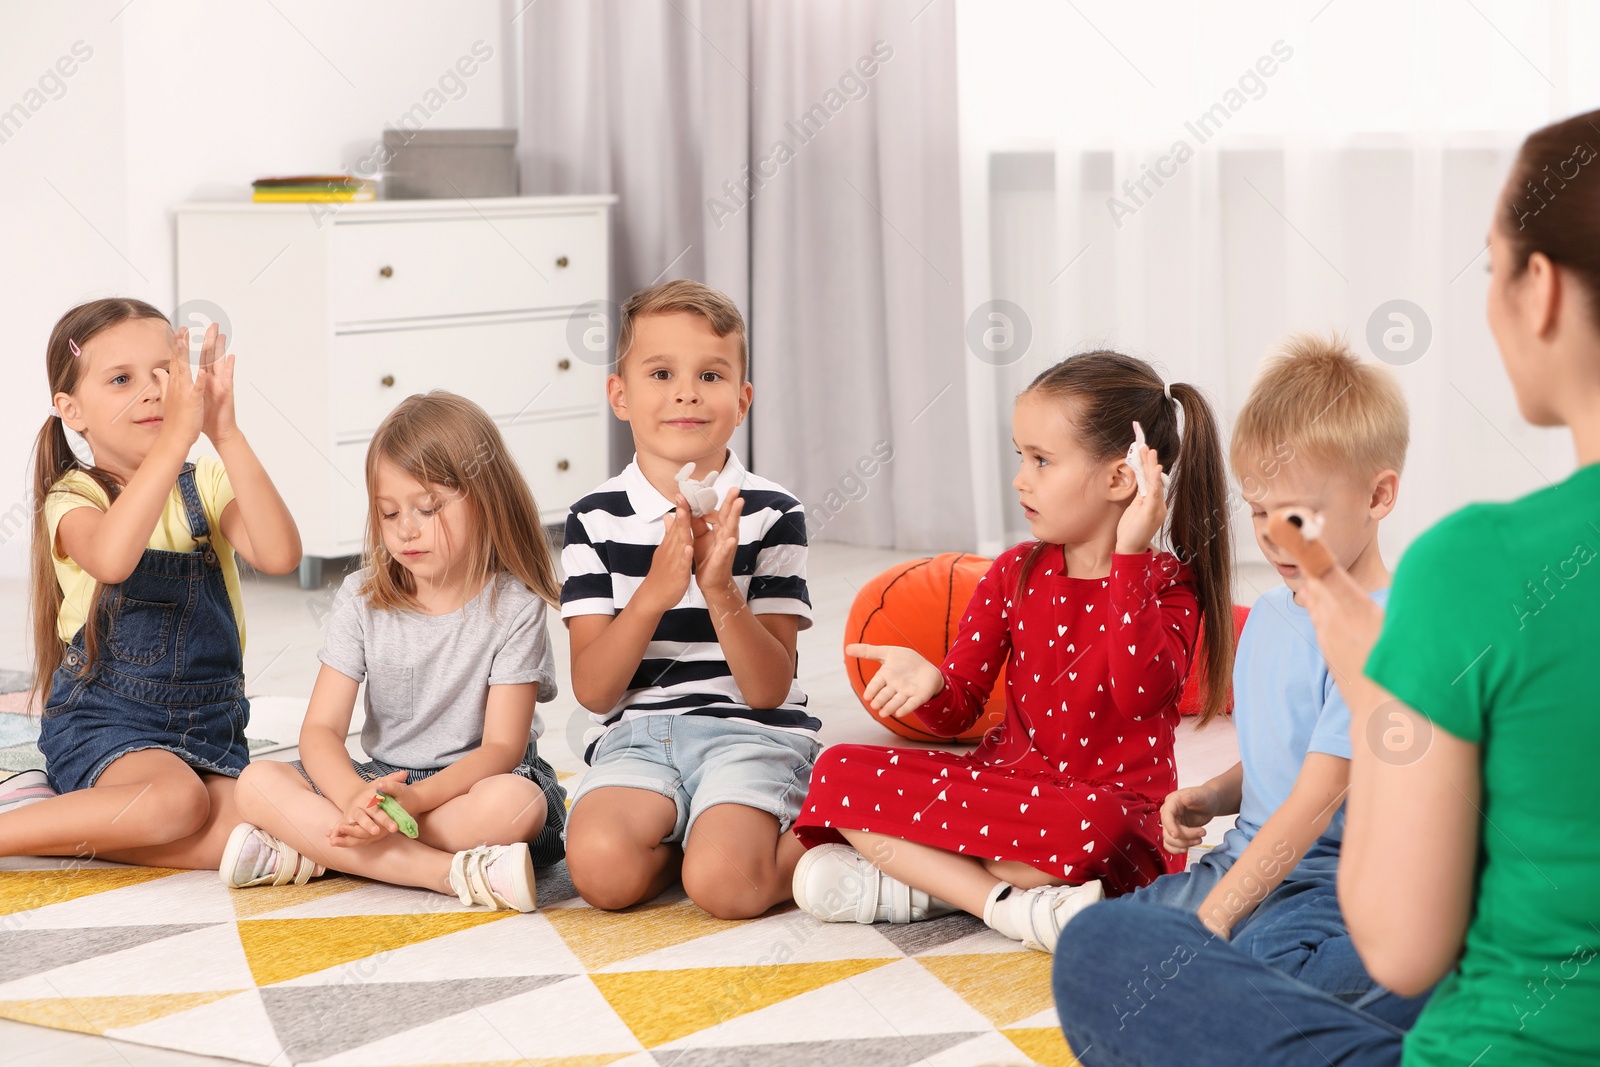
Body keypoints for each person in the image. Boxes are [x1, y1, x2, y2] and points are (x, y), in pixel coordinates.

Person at [1055, 107, 1600, 1066]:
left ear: (1542, 290)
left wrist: (1378, 691)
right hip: (1320, 903)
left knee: (1108, 954)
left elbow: (1403, 938)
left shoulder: (1469, 569)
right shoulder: (1289, 612)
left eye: (1490, 268)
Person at [792, 351, 1236, 952]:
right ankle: (1002, 905)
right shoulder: (1013, 573)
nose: (1020, 478)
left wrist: (1129, 561)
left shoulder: (1167, 586)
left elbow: (1140, 695)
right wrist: (930, 686)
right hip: (1006, 792)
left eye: (1042, 461)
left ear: (1119, 479)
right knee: (836, 770)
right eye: (1019, 456)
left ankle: (921, 884)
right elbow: (960, 709)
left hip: (1106, 815)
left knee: (1093, 828)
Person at [228, 392, 566, 913]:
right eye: (389, 513)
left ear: (487, 498)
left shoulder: (515, 605)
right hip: (383, 781)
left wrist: (411, 804)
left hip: (473, 787)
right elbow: (319, 731)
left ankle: (321, 852)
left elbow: (502, 747)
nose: (406, 529)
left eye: (427, 509)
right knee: (254, 783)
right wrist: (354, 799)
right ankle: (445, 873)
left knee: (515, 806)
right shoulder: (362, 597)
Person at [1, 298, 299, 868]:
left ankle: (70, 818)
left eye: (166, 371)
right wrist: (173, 443)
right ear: (71, 409)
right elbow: (113, 559)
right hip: (106, 726)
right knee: (175, 801)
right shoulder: (75, 497)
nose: (154, 390)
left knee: (279, 819)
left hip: (211, 728)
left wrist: (225, 434)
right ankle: (14, 827)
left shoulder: (205, 482)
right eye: (121, 379)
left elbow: (280, 553)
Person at [560, 280, 818, 920]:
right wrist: (653, 595)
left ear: (743, 399)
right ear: (620, 396)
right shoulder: (593, 518)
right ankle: (696, 832)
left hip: (751, 735)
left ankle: (820, 845)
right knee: (598, 872)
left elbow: (768, 689)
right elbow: (594, 692)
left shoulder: (774, 514)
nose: (685, 392)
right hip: (639, 740)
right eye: (660, 373)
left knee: (726, 887)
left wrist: (720, 590)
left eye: (710, 374)